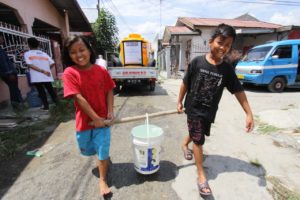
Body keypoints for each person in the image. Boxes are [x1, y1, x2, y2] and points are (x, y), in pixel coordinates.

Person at [177, 23, 254, 196]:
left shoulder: (226, 70)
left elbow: (238, 91)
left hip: (208, 112)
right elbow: (185, 83)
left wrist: (249, 113)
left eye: (227, 45)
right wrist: (179, 102)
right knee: (198, 139)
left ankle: (183, 144)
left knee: (198, 132)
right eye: (220, 42)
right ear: (211, 41)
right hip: (194, 109)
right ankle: (201, 176)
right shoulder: (197, 62)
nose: (223, 48)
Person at [62, 35, 115, 197]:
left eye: (82, 50)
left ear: (89, 50)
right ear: (68, 55)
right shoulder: (70, 72)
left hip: (103, 122)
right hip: (85, 122)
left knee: (102, 150)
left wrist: (110, 111)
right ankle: (102, 159)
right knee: (88, 149)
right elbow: (78, 97)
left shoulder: (101, 71)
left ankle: (102, 180)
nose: (79, 55)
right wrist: (96, 118)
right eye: (73, 52)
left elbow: (109, 90)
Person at [24, 37, 58, 110]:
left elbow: (30, 65)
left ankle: (46, 107)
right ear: (38, 45)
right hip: (47, 75)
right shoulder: (44, 53)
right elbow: (52, 63)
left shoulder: (27, 54)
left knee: (41, 92)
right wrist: (46, 70)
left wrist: (42, 71)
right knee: (51, 90)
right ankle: (58, 104)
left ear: (29, 45)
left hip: (37, 77)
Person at [0, 35, 24, 109]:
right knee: (14, 89)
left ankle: (19, 104)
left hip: (5, 72)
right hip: (8, 73)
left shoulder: (1, 49)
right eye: (1, 38)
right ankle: (17, 106)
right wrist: (9, 73)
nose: (3, 40)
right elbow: (3, 62)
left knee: (14, 88)